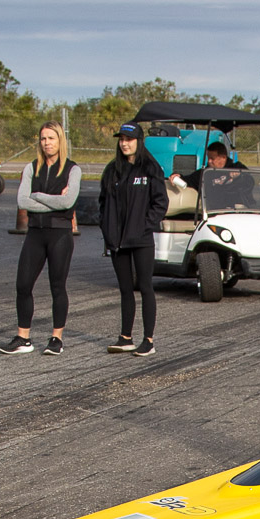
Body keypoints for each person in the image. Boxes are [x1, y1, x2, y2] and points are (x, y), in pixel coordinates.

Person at [0, 122, 81, 356]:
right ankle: (23, 338)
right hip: (35, 233)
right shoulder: (31, 168)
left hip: (60, 234)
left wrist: (37, 196)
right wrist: (54, 201)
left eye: (51, 138)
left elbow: (68, 202)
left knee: (57, 286)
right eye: (43, 139)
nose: (47, 143)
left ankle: (56, 338)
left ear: (60, 140)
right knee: (23, 284)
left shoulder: (73, 170)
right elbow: (22, 201)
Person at [99, 123, 168, 357]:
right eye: (121, 139)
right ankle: (125, 337)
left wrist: (143, 226)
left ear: (139, 141)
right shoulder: (112, 169)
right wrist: (107, 228)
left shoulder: (150, 168)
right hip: (117, 241)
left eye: (129, 139)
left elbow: (160, 202)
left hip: (141, 240)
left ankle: (148, 340)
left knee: (145, 287)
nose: (124, 143)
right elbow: (103, 202)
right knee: (125, 289)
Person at [169, 141, 247, 189]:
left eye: (212, 158)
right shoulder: (204, 174)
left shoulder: (236, 168)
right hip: (211, 208)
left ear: (223, 158)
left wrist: (239, 176)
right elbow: (189, 180)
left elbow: (249, 179)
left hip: (233, 208)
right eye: (208, 158)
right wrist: (177, 176)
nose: (209, 161)